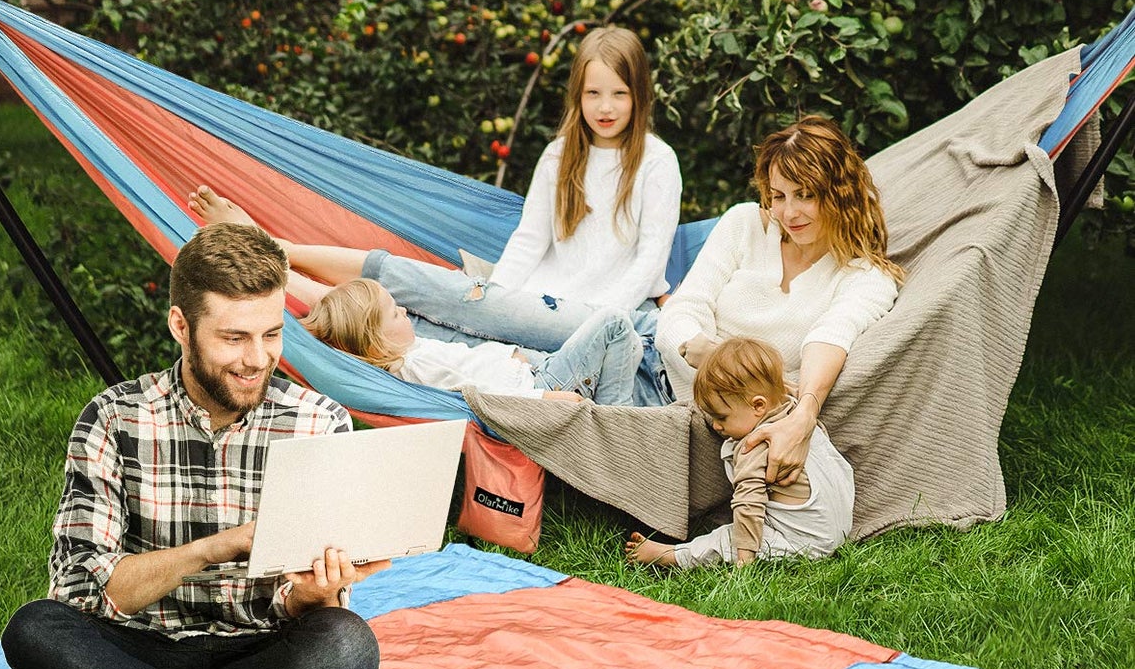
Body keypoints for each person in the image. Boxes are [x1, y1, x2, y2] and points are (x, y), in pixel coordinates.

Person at [0, 223, 442, 669]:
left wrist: (317, 594)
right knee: (35, 631)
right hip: (140, 652)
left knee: (346, 647)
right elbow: (85, 593)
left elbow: (304, 610)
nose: (257, 359)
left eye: (271, 335)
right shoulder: (114, 417)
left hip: (256, 654)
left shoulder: (318, 421)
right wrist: (215, 548)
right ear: (181, 325)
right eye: (233, 338)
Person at [191, 26, 680, 389]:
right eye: (594, 93)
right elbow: (530, 239)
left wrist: (599, 313)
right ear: (577, 95)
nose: (606, 106)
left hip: (601, 316)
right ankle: (279, 248)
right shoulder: (559, 155)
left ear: (641, 96)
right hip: (536, 305)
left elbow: (650, 260)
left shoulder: (657, 162)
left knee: (407, 333)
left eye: (620, 93)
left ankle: (272, 260)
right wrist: (495, 300)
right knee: (437, 297)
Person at [653, 115, 903, 485]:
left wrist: (804, 413)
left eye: (805, 195)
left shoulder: (865, 277)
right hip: (651, 359)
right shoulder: (745, 224)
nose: (789, 213)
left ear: (838, 193)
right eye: (778, 195)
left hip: (690, 411)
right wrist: (701, 351)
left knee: (550, 384)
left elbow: (829, 338)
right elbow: (682, 310)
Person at [625, 337, 854, 569]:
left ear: (758, 406)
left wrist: (744, 559)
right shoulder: (794, 408)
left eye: (721, 417)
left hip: (804, 543)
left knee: (727, 537)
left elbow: (749, 503)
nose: (715, 425)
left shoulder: (754, 446)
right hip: (840, 525)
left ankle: (670, 555)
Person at [300, 276, 641, 405]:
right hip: (542, 383)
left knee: (631, 345)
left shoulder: (409, 353)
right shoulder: (417, 365)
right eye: (393, 313)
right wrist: (545, 397)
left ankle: (613, 416)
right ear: (374, 343)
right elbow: (481, 396)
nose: (403, 310)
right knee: (614, 323)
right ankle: (617, 423)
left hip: (535, 369)